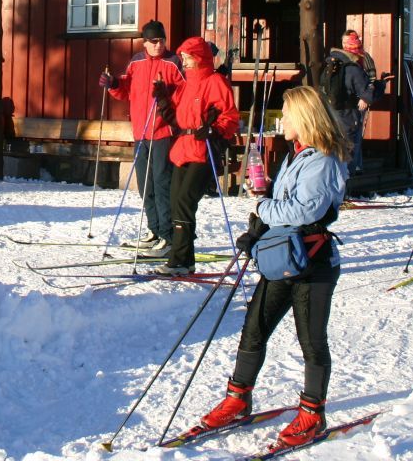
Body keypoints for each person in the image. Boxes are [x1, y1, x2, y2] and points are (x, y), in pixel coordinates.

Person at [193, 86, 349, 450]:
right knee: (254, 326)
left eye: (288, 115)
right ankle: (238, 399)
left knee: (311, 340)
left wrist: (263, 211)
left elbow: (304, 211)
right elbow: (282, 203)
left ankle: (313, 412)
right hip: (283, 256)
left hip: (313, 263)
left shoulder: (323, 160)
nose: (283, 121)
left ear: (306, 119)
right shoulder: (297, 156)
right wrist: (257, 231)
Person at [150, 36, 239, 275]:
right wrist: (162, 97)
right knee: (176, 200)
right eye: (184, 59)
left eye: (188, 58)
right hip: (183, 146)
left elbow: (229, 116)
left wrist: (215, 129)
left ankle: (178, 260)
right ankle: (185, 259)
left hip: (204, 149)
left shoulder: (216, 81)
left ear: (200, 58)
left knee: (185, 202)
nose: (185, 63)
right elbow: (175, 119)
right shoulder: (186, 85)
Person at [101, 19, 185, 256]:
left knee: (161, 182)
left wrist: (166, 94)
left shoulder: (173, 63)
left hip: (162, 132)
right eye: (154, 41)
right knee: (145, 184)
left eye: (162, 40)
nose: (159, 45)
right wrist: (113, 83)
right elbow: (125, 89)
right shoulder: (136, 62)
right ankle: (154, 230)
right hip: (140, 131)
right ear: (145, 43)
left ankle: (168, 237)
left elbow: (184, 93)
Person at [320, 31, 374, 175]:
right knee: (350, 145)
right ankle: (348, 179)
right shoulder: (353, 67)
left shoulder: (330, 64)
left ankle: (336, 178)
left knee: (335, 145)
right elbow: (367, 86)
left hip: (330, 112)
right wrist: (369, 95)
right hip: (349, 112)